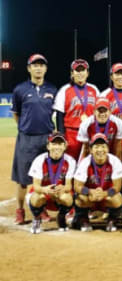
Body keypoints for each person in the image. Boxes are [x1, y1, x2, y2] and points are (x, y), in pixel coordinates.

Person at [11, 53, 57, 224]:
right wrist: (25, 128)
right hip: (27, 138)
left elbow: (54, 113)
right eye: (35, 65)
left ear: (45, 68)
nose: (38, 68)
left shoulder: (52, 89)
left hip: (46, 139)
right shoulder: (20, 89)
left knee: (44, 176)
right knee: (23, 179)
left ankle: (41, 209)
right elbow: (16, 114)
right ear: (29, 68)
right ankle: (20, 211)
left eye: (41, 65)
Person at [72, 133, 122, 232]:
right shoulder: (85, 162)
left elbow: (117, 187)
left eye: (103, 146)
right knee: (80, 197)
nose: (100, 150)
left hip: (107, 196)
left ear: (108, 148)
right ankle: (83, 219)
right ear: (91, 150)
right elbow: (77, 186)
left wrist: (104, 194)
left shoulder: (114, 161)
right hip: (91, 197)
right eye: (96, 147)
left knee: (117, 198)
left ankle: (113, 219)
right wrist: (90, 192)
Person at [27, 132, 76, 233]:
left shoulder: (70, 161)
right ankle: (37, 218)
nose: (57, 147)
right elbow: (36, 186)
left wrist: (62, 189)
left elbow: (68, 186)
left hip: (59, 194)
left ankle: (61, 217)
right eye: (54, 144)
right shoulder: (39, 160)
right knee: (36, 197)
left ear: (65, 146)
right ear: (48, 146)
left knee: (68, 198)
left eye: (60, 144)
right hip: (44, 193)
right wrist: (45, 190)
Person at [53, 59, 100, 160]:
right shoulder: (64, 90)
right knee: (71, 162)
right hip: (72, 133)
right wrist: (62, 136)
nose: (80, 73)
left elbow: (99, 112)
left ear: (87, 73)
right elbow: (59, 115)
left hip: (90, 132)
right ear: (72, 73)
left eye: (83, 70)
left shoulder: (94, 89)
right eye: (77, 70)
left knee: (89, 163)